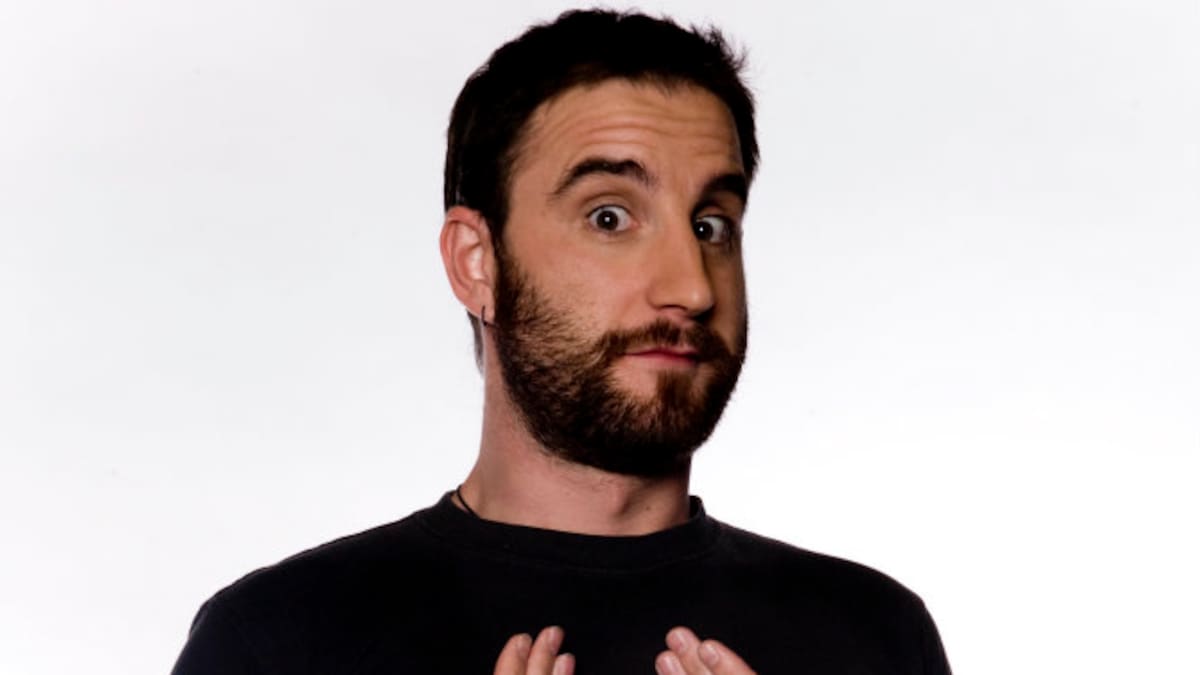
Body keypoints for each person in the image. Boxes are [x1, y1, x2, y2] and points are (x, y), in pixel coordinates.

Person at [172, 10, 952, 675]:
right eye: (609, 217)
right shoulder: (277, 642)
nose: (692, 287)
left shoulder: (874, 637)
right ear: (477, 263)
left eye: (712, 225)